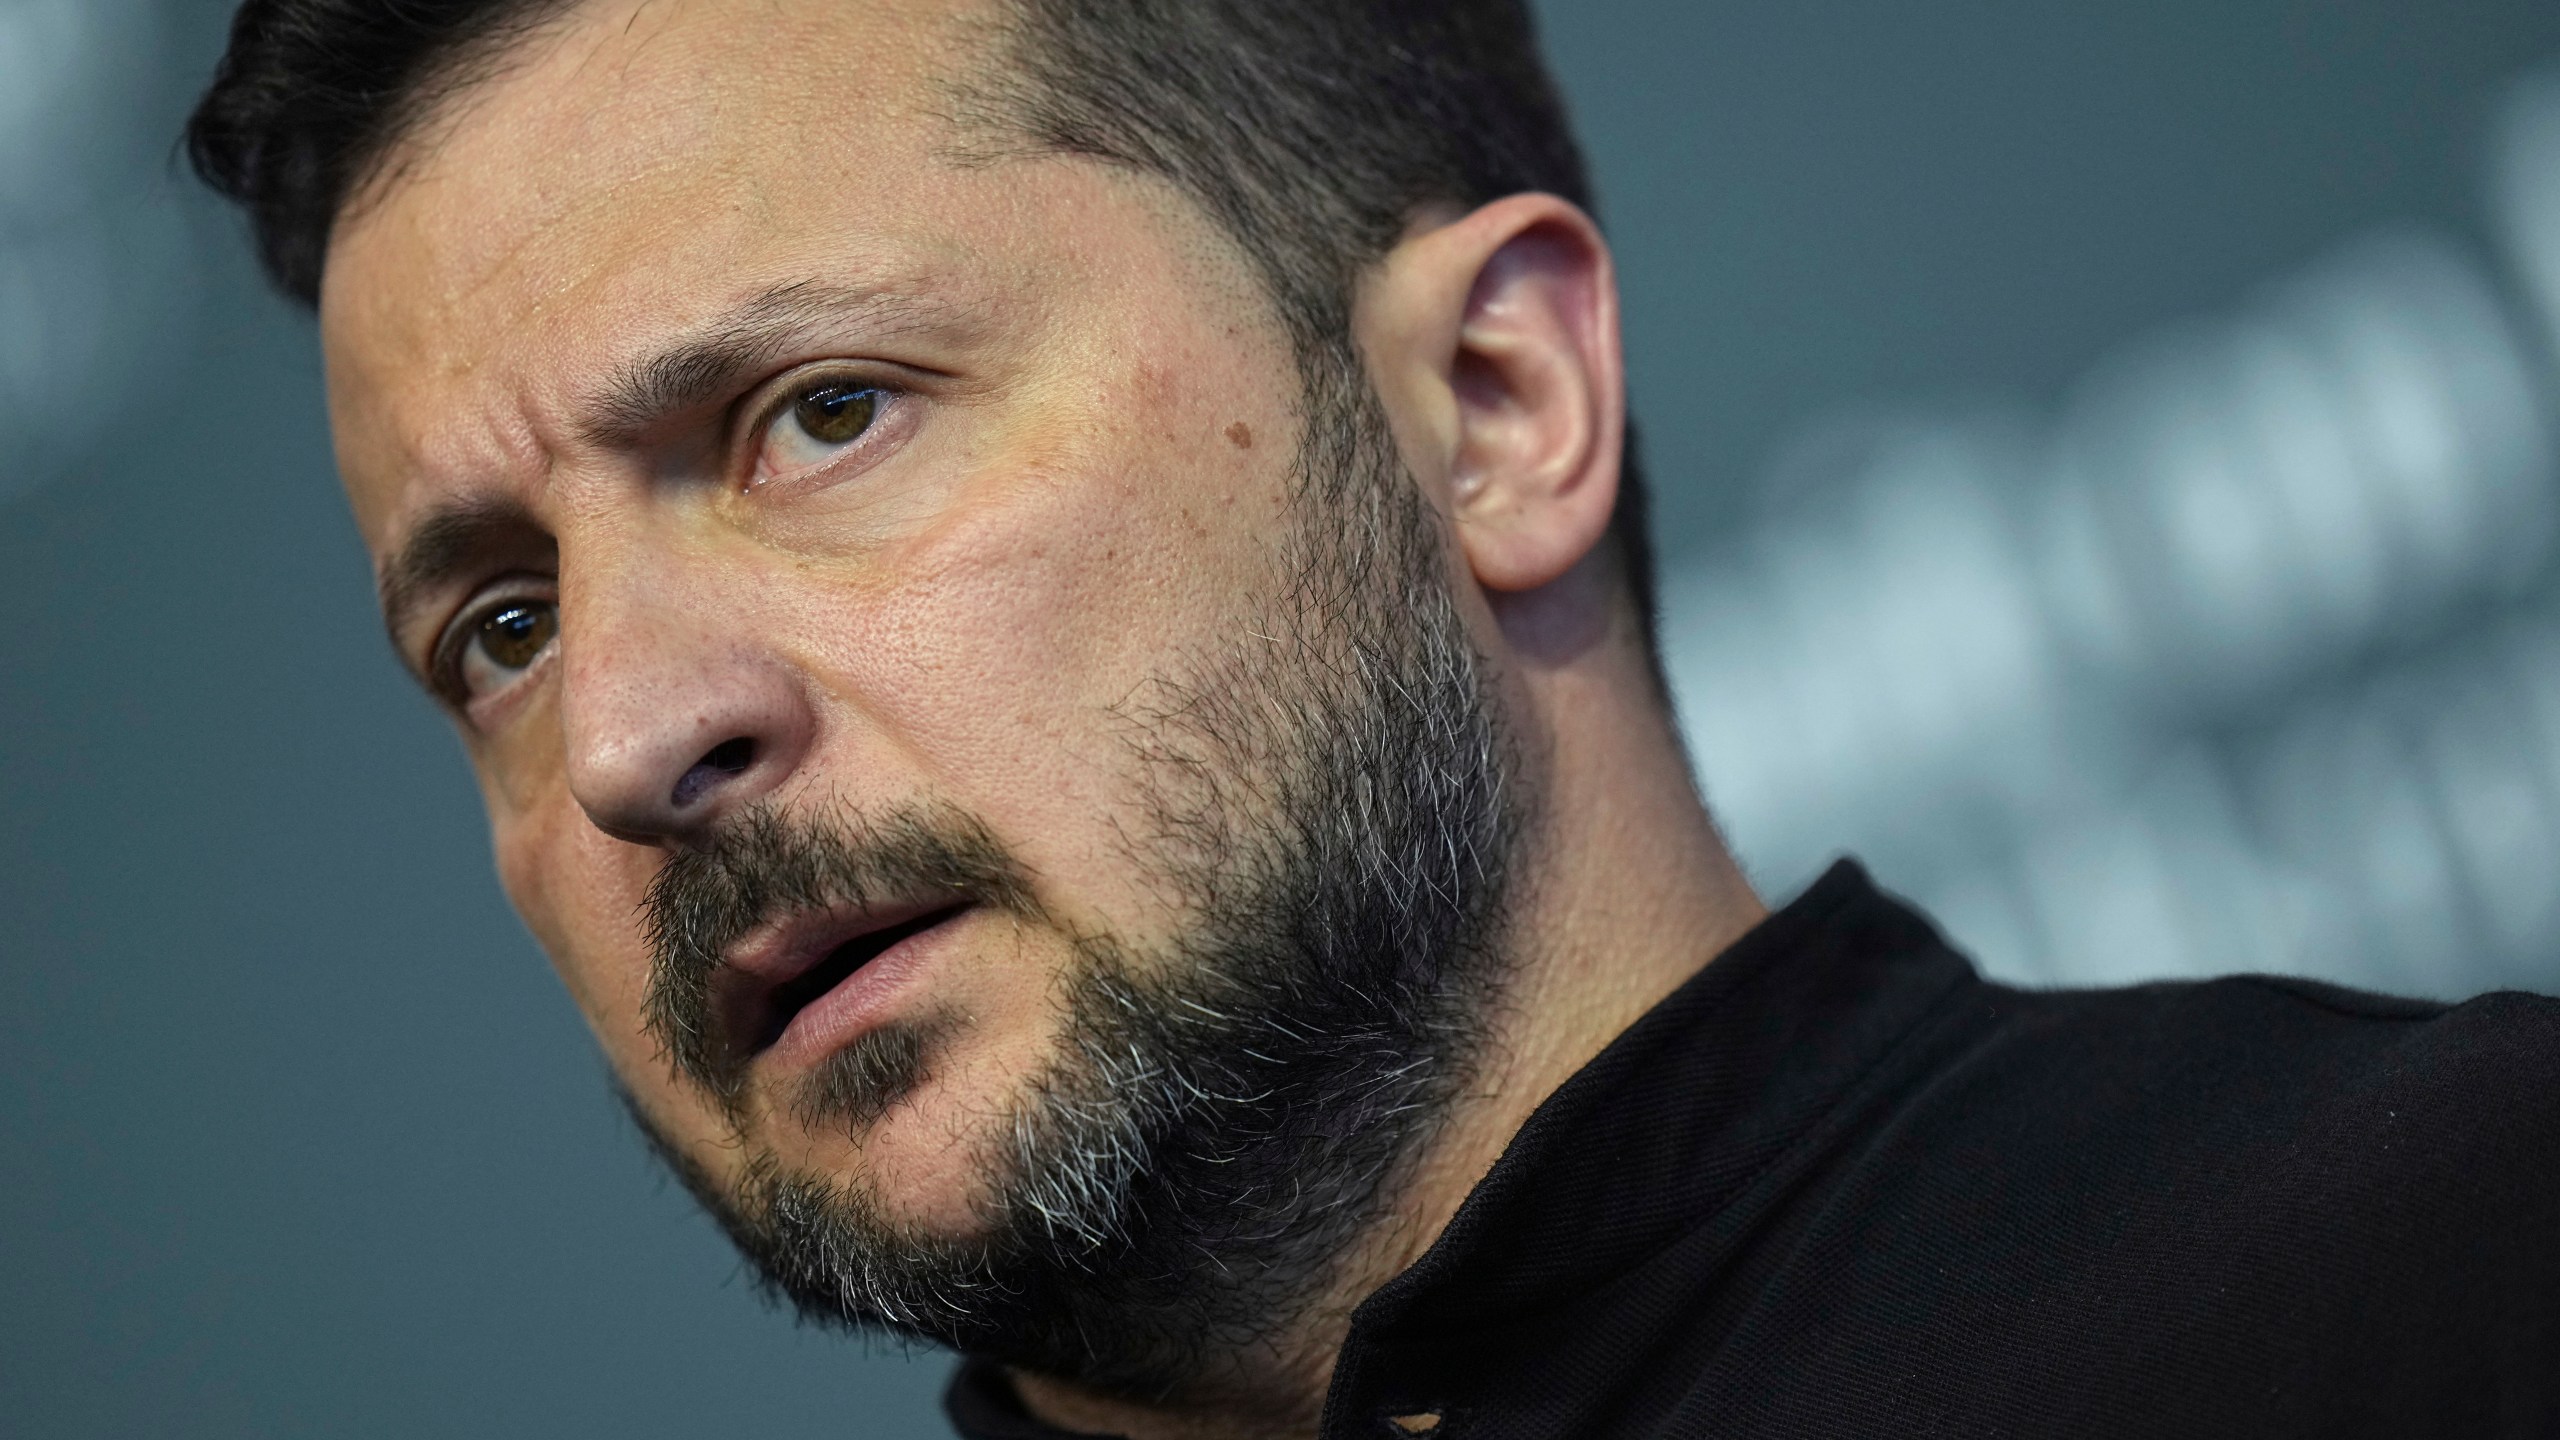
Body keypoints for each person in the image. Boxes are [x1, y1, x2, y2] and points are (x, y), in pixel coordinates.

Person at [185, 1, 2560, 1435]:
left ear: (1494, 402)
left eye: (820, 415)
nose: (622, 732)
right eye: (495, 624)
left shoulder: (2453, 1295)